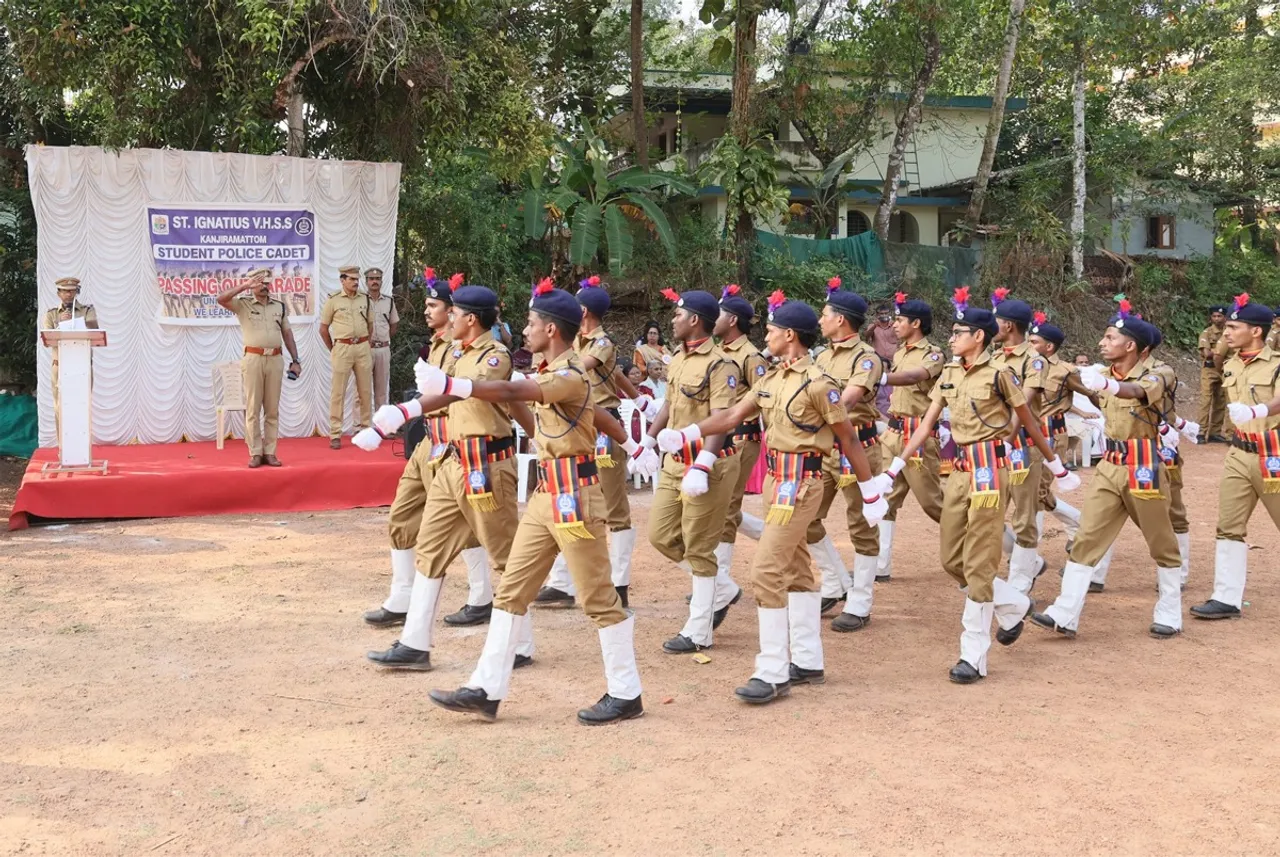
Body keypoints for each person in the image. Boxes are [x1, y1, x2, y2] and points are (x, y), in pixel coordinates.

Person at [423, 279, 644, 725]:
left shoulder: (566, 375)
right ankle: (487, 688)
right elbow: (592, 412)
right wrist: (631, 441)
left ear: (553, 331)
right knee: (512, 590)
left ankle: (626, 692)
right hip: (547, 495)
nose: (524, 331)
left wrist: (453, 384)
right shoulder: (555, 374)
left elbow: (508, 393)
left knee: (598, 597)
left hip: (574, 498)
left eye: (531, 324)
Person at [664, 291, 887, 703]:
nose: (764, 336)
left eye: (769, 331)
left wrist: (870, 489)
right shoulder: (769, 379)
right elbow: (732, 416)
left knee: (766, 572)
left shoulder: (820, 385)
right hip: (775, 484)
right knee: (798, 570)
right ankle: (807, 660)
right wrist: (689, 434)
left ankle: (773, 670)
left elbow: (848, 438)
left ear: (789, 335)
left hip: (802, 485)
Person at [880, 288, 1077, 683]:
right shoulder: (950, 373)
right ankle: (1014, 603)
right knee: (951, 560)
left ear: (979, 337)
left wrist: (1055, 464)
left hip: (991, 470)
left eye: (959, 332)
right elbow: (927, 422)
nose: (951, 338)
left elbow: (1028, 420)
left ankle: (973, 655)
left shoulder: (1001, 374)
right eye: (952, 332)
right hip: (960, 470)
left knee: (980, 563)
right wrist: (896, 464)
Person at [361, 285, 533, 672]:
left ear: (471, 318)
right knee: (430, 549)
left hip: (487, 466)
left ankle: (521, 642)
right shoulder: (456, 352)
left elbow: (463, 393)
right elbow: (443, 395)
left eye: (454, 312)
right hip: (452, 462)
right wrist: (403, 412)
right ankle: (414, 643)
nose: (449, 318)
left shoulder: (494, 355)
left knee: (505, 554)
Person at [1031, 299, 1184, 640]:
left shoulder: (1159, 371)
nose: (1102, 343)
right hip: (1111, 465)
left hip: (1145, 464)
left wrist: (1106, 386)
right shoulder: (1101, 373)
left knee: (1160, 540)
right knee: (1087, 537)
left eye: (1109, 337)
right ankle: (1064, 612)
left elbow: (1138, 392)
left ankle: (1170, 611)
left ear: (1131, 345)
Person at [358, 272, 495, 630]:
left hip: (452, 441)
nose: (426, 311)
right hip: (426, 442)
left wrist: (403, 411)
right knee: (402, 514)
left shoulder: (461, 348)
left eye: (433, 305)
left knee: (466, 523)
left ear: (455, 312)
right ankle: (401, 597)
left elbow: (456, 394)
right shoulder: (436, 344)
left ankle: (482, 597)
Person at [632, 288, 744, 654]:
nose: (672, 320)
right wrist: (646, 443)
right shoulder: (678, 358)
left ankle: (700, 630)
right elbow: (670, 404)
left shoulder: (721, 364)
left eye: (678, 315)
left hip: (707, 463)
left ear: (695, 319)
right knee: (660, 535)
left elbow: (722, 420)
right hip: (675, 460)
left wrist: (704, 463)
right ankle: (722, 587)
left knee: (698, 545)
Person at [531, 276, 647, 609]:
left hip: (603, 425)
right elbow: (617, 375)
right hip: (579, 423)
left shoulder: (601, 342)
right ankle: (563, 583)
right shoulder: (579, 341)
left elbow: (584, 370)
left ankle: (620, 581)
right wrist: (639, 397)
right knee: (571, 499)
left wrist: (543, 379)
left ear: (583, 310)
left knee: (614, 508)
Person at [1191, 297, 1280, 621]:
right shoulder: (1229, 364)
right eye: (1226, 325)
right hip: (1239, 452)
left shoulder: (1277, 363)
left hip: (1274, 454)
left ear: (1255, 331)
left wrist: (1259, 410)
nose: (1225, 332)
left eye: (1233, 326)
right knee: (1229, 526)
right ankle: (1226, 597)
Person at [806, 277, 886, 631]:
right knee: (806, 516)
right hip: (824, 451)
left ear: (841, 319)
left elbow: (848, 399)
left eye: (825, 314)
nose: (820, 320)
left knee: (862, 526)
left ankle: (861, 602)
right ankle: (837, 581)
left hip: (858, 450)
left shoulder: (867, 359)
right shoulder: (820, 356)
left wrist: (808, 411)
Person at [875, 292, 946, 583]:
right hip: (893, 434)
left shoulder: (934, 354)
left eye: (901, 320)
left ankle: (988, 544)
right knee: (885, 500)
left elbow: (911, 378)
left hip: (918, 438)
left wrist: (876, 378)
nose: (894, 324)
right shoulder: (901, 351)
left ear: (916, 323)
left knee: (933, 504)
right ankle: (881, 565)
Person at [988, 289, 1049, 595]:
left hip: (1022, 446)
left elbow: (1022, 405)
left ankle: (1021, 581)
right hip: (994, 445)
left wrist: (1007, 441)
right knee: (986, 508)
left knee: (1024, 516)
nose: (990, 326)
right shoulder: (993, 357)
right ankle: (1029, 562)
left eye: (995, 321)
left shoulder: (1034, 361)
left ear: (1009, 326)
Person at [713, 284, 769, 612]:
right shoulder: (719, 352)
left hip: (742, 437)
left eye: (718, 314)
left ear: (732, 320)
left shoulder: (751, 356)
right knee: (724, 507)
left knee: (724, 507)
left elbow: (764, 399)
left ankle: (719, 584)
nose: (713, 319)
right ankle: (771, 537)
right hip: (720, 436)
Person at [217, 268, 301, 468]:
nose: (264, 286)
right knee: (253, 409)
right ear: (252, 284)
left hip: (275, 359)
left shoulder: (279, 307)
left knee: (272, 409)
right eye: (259, 283)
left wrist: (296, 360)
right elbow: (221, 299)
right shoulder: (243, 305)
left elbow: (287, 334)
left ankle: (270, 452)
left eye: (266, 282)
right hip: (253, 359)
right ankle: (255, 452)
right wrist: (245, 286)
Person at [1025, 312, 1087, 551]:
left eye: (1034, 343)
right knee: (1030, 491)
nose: (1029, 346)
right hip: (1031, 433)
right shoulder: (1027, 366)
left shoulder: (1066, 371)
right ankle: (1078, 523)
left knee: (1038, 492)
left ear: (1049, 347)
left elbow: (1089, 393)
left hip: (1053, 434)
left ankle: (1029, 551)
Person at [320, 265, 376, 449]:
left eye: (356, 279)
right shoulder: (333, 300)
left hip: (362, 347)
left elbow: (370, 325)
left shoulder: (365, 299)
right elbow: (323, 329)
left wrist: (364, 343)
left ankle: (366, 429)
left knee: (365, 391)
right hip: (342, 347)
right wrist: (334, 349)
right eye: (351, 279)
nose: (355, 282)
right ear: (342, 280)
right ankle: (335, 433)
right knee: (338, 392)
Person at [42, 276, 100, 441]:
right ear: (58, 293)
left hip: (81, 365)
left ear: (77, 292)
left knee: (83, 405)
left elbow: (94, 329)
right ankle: (63, 446)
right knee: (60, 406)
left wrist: (73, 321)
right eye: (65, 291)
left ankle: (83, 444)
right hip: (60, 365)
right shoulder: (52, 314)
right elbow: (47, 338)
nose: (68, 294)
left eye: (72, 291)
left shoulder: (87, 310)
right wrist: (61, 325)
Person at [364, 267, 399, 409]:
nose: (374, 282)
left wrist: (384, 340)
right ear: (366, 282)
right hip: (365, 350)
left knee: (381, 392)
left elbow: (394, 324)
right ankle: (360, 428)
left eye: (377, 279)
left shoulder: (389, 301)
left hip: (383, 349)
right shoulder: (360, 301)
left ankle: (380, 427)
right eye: (371, 279)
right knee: (361, 391)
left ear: (381, 281)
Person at [1198, 305, 1229, 443]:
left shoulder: (1229, 332)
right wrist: (1221, 351)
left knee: (1221, 401)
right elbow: (1207, 354)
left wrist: (1215, 352)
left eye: (1219, 316)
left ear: (1225, 317)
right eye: (1214, 316)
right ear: (1210, 318)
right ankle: (1200, 432)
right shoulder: (1206, 333)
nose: (1217, 319)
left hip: (1224, 370)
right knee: (1206, 400)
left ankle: (1215, 432)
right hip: (1209, 369)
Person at [867, 304, 898, 417]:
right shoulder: (873, 326)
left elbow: (902, 336)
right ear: (877, 315)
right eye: (881, 314)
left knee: (894, 386)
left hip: (894, 362)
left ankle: (894, 408)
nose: (884, 316)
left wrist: (895, 324)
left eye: (886, 313)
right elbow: (866, 336)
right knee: (880, 385)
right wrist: (874, 325)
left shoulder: (895, 325)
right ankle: (879, 408)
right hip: (880, 363)